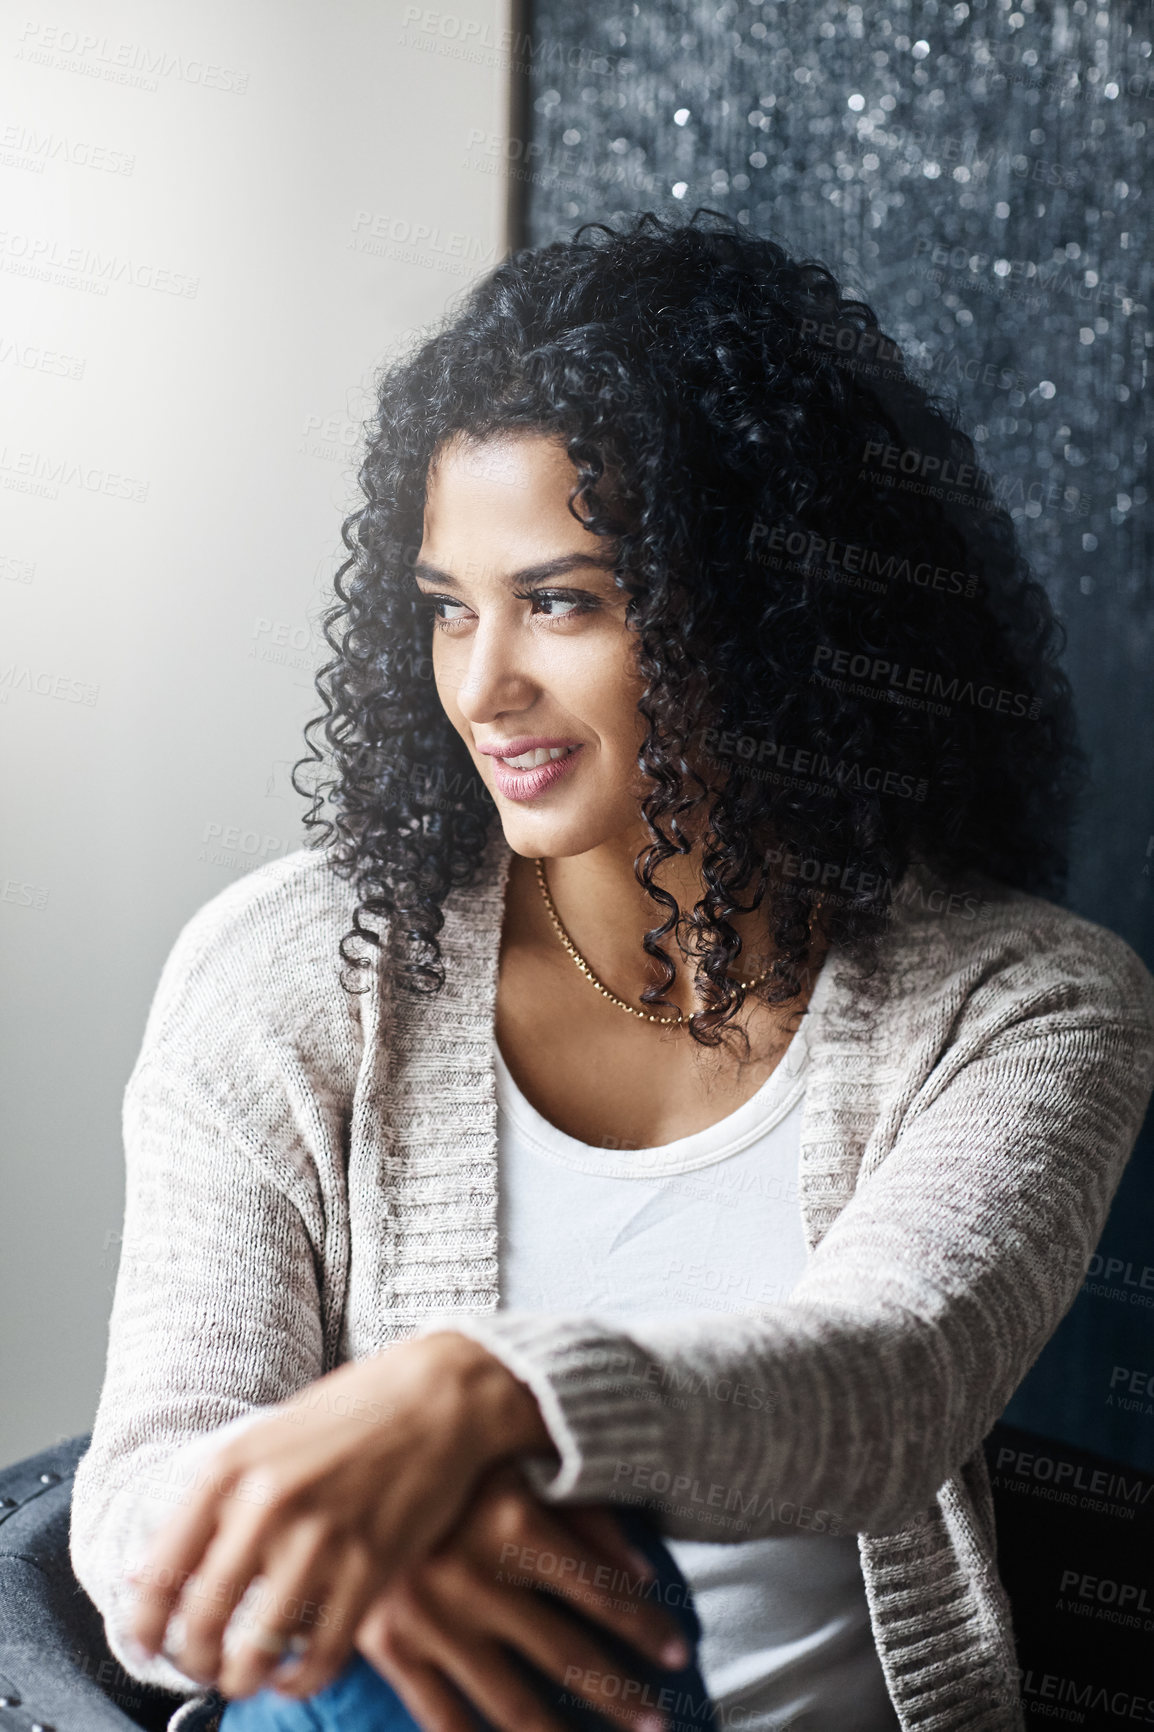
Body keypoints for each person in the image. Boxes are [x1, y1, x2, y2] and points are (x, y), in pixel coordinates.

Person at [70, 211, 1154, 1732]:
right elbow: (134, 1521)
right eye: (448, 607)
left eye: (564, 601)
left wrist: (494, 1400)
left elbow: (891, 1383)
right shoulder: (294, 971)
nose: (482, 683)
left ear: (771, 612)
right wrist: (344, 1563)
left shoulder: (1023, 1003)